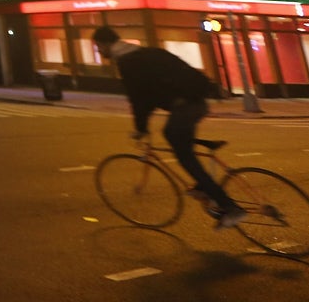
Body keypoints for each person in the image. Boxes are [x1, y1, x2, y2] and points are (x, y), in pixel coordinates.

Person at [92, 26, 245, 228]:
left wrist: (140, 128)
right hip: (195, 101)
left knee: (179, 147)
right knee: (180, 140)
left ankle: (230, 207)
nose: (99, 51)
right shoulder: (145, 53)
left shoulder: (128, 62)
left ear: (104, 44)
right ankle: (202, 186)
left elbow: (139, 99)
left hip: (187, 105)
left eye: (98, 47)